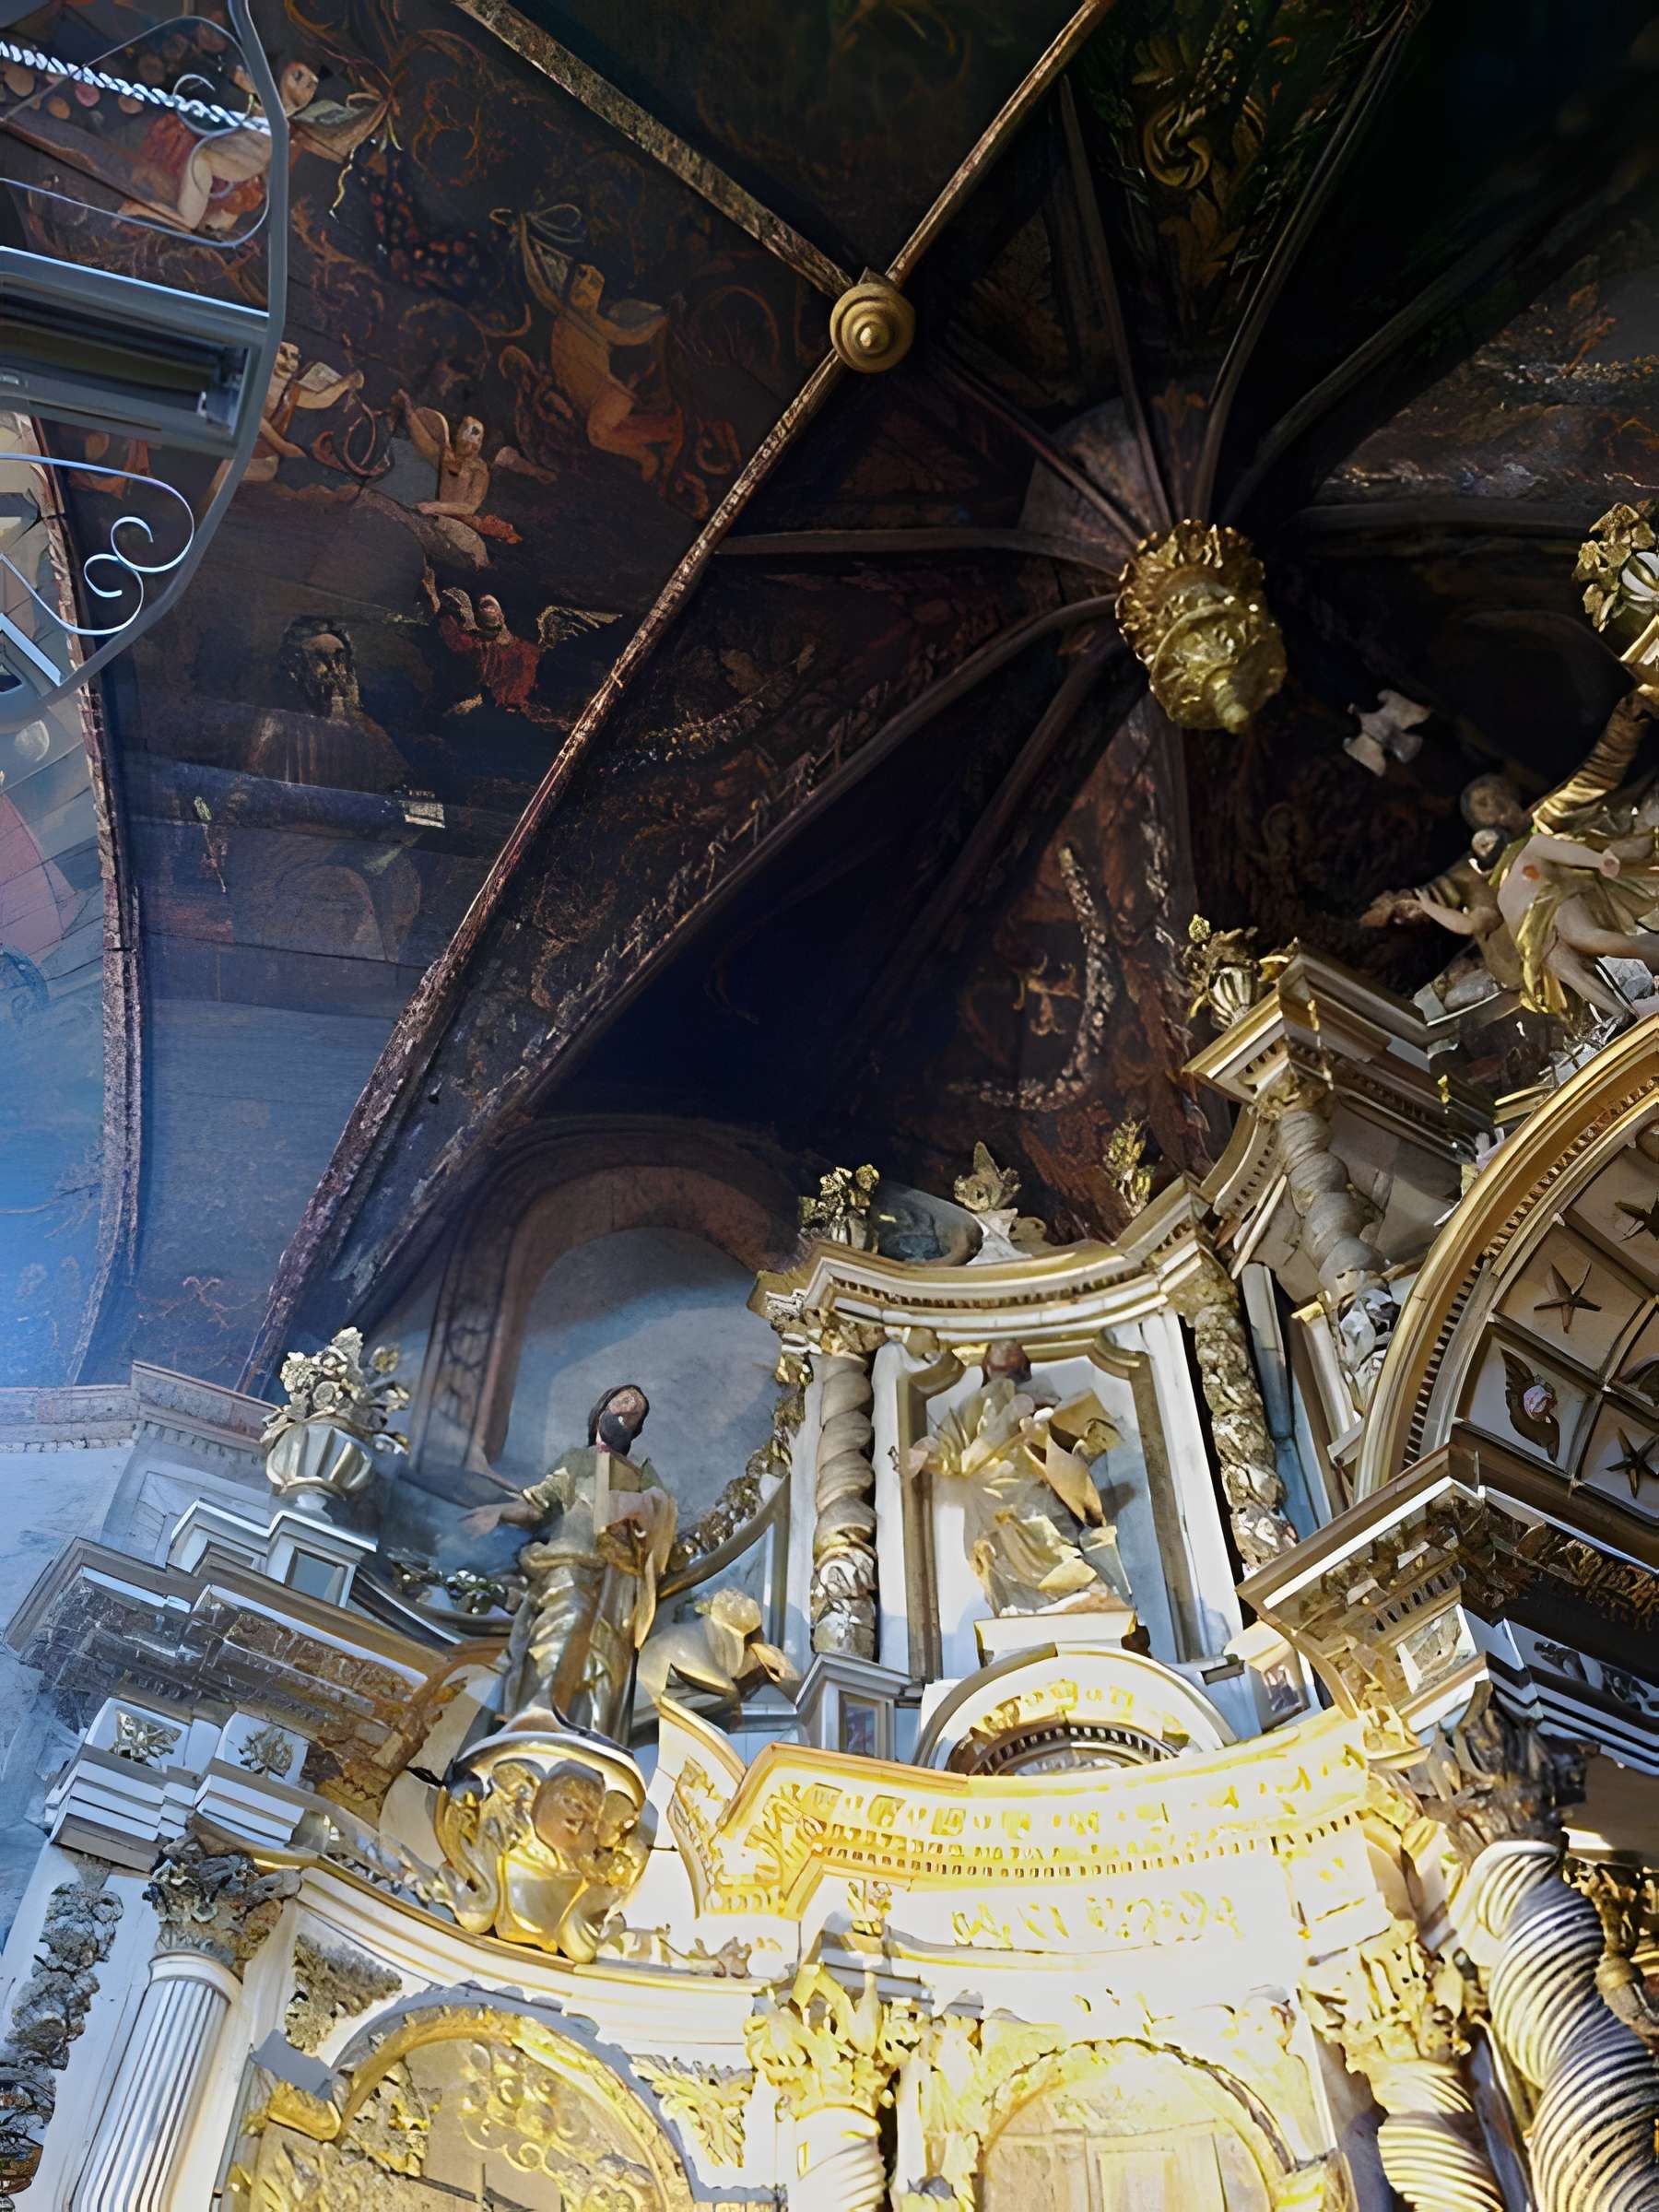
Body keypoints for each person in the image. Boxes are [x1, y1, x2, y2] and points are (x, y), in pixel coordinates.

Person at [463, 1384, 677, 1740]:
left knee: (607, 1656)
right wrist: (498, 1511)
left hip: (617, 1577)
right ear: (601, 1411)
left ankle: (587, 1731)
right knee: (568, 1619)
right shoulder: (577, 1460)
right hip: (571, 1560)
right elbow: (538, 1504)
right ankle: (540, 1711)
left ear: (637, 1428)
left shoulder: (642, 1473)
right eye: (622, 1403)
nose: (627, 1411)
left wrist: (638, 1504)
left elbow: (663, 1514)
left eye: (635, 1411)